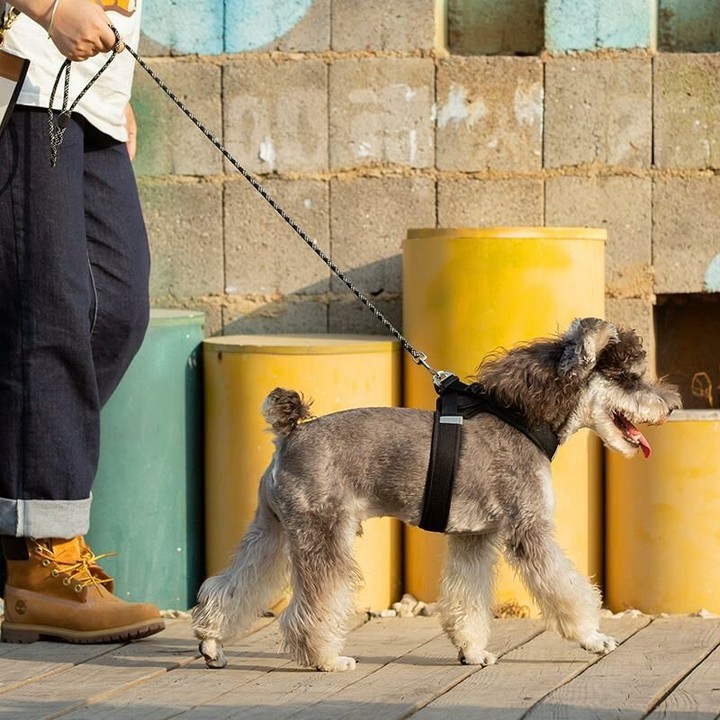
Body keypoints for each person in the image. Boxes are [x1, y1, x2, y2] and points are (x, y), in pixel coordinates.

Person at [0, 0, 164, 642]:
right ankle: (39, 561)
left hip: (88, 92)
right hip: (23, 77)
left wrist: (118, 93)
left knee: (118, 309)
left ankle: (23, 519)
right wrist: (49, 6)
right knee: (49, 314)